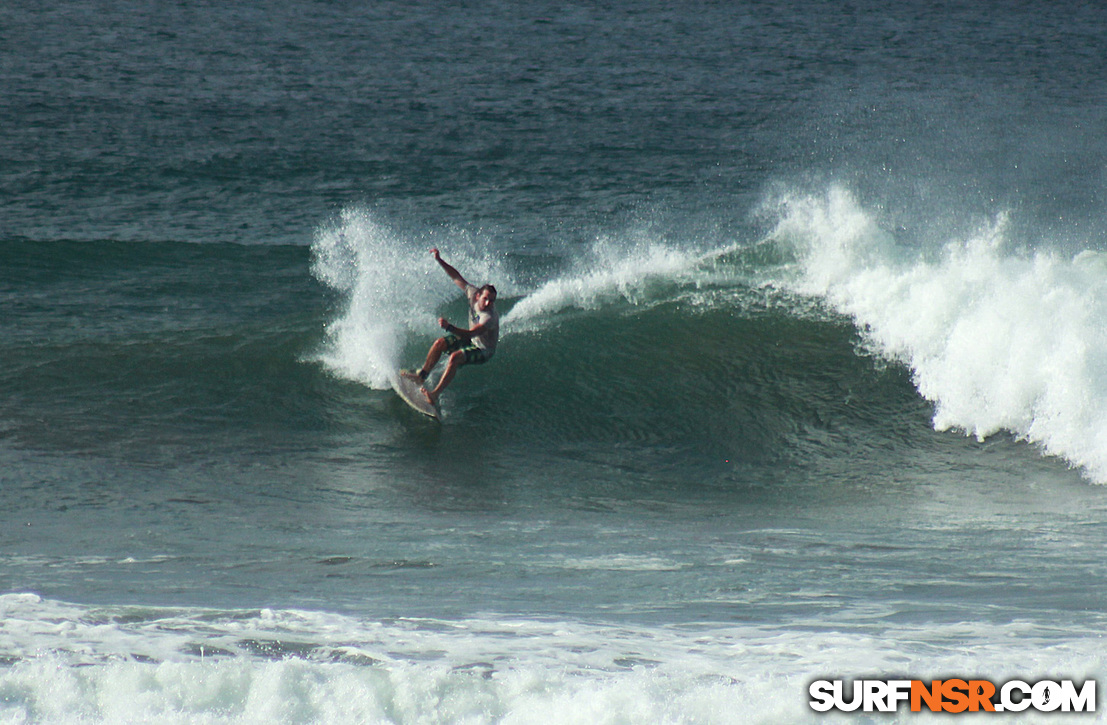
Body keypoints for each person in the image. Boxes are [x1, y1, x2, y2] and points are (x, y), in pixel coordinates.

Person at [403, 248, 499, 407]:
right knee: (439, 343)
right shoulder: (472, 293)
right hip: (472, 340)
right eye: (486, 299)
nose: (488, 303)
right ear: (477, 296)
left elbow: (471, 333)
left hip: (483, 350)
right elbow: (455, 276)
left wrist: (449, 327)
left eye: (492, 301)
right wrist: (439, 260)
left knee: (454, 358)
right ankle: (421, 376)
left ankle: (434, 395)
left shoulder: (489, 318)